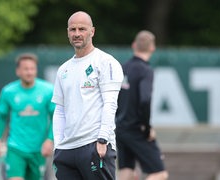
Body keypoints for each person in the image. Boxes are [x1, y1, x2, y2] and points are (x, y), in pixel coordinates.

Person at [52, 11, 123, 180]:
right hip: (66, 150)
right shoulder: (63, 69)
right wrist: (58, 145)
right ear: (68, 32)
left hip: (94, 145)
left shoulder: (106, 62)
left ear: (92, 31)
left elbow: (110, 104)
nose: (77, 34)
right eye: (72, 29)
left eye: (82, 29)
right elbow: (60, 110)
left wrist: (102, 139)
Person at [115, 30, 168, 180]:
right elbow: (144, 100)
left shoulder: (123, 68)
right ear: (152, 48)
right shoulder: (145, 70)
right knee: (160, 173)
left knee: (127, 172)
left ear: (134, 45)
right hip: (136, 128)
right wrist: (147, 127)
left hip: (120, 127)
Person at [0, 53, 55, 180]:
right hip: (16, 147)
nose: (29, 72)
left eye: (32, 69)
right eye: (26, 69)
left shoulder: (48, 90)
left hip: (39, 149)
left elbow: (56, 117)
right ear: (18, 71)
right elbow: (1, 117)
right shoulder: (8, 91)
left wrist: (50, 139)